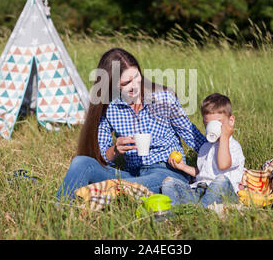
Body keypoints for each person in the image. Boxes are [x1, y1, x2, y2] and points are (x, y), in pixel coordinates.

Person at [57, 48, 207, 200]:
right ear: (113, 85)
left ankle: (102, 191)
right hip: (133, 173)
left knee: (125, 184)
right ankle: (61, 206)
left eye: (137, 77)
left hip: (167, 172)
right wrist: (115, 150)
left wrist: (219, 162)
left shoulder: (163, 98)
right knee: (81, 162)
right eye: (127, 82)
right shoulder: (110, 108)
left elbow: (191, 134)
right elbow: (101, 156)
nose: (135, 85)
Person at [161, 93, 245, 207]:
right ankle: (187, 207)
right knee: (168, 183)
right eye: (207, 124)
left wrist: (224, 137)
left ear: (231, 121)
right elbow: (203, 172)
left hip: (224, 191)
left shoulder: (233, 146)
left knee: (220, 181)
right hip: (200, 190)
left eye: (218, 123)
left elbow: (223, 165)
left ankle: (199, 208)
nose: (212, 127)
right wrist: (183, 167)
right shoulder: (206, 146)